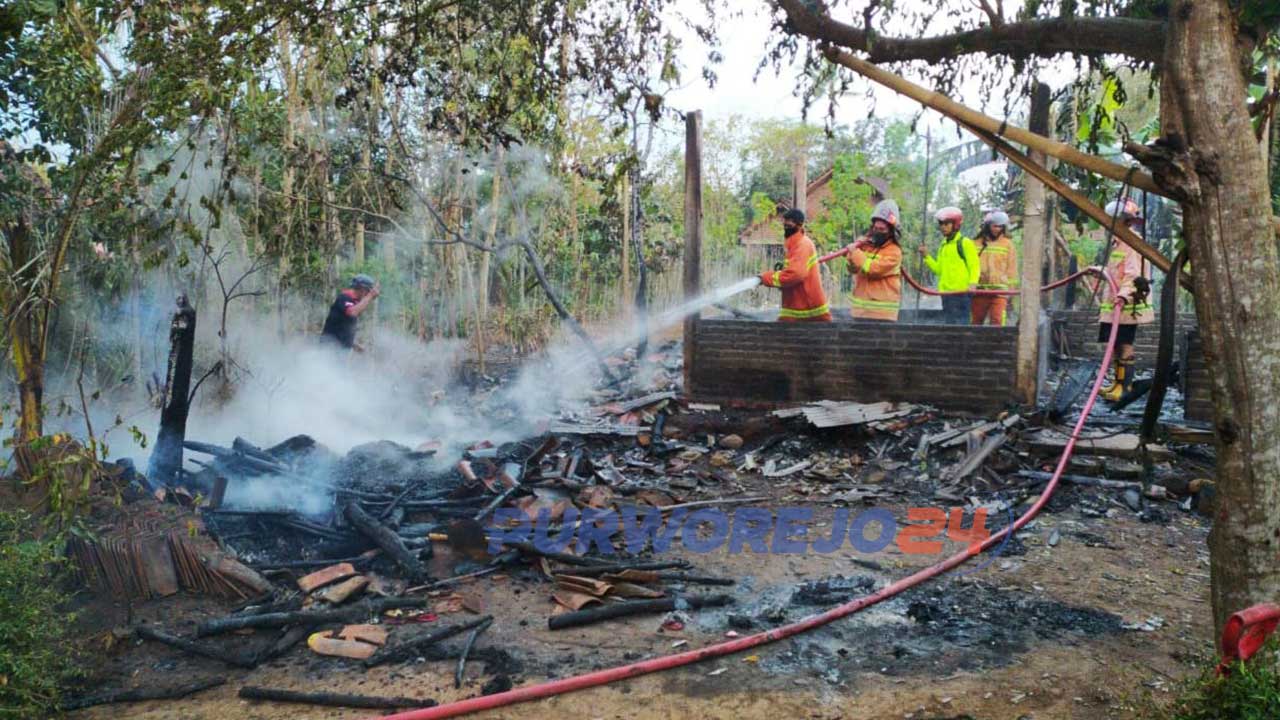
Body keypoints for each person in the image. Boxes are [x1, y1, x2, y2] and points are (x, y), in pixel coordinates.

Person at [1098, 198, 1154, 402]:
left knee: (1125, 343)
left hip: (1127, 305)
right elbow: (1118, 271)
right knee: (1114, 344)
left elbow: (1132, 275)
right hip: (1115, 306)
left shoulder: (1131, 243)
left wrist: (1122, 295)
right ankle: (1116, 383)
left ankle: (1125, 386)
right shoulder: (1118, 242)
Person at [758, 208, 832, 322]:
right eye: (785, 220)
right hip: (796, 307)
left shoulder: (803, 245)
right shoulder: (794, 244)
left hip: (806, 310)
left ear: (800, 224)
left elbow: (795, 274)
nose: (786, 223)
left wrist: (766, 278)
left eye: (790, 221)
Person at [843, 199, 903, 322]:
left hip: (882, 315)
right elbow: (852, 269)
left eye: (882, 229)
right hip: (860, 313)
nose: (878, 232)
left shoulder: (894, 252)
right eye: (876, 228)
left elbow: (873, 269)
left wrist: (855, 252)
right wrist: (851, 254)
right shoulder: (866, 246)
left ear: (891, 231)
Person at [919, 206, 979, 324]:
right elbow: (939, 270)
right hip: (946, 295)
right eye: (941, 224)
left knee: (961, 327)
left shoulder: (965, 243)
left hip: (961, 294)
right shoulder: (943, 245)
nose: (943, 227)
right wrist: (926, 256)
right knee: (949, 326)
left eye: (947, 224)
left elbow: (974, 266)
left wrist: (973, 284)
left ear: (955, 224)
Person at [971, 210, 1018, 326]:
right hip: (979, 290)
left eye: (1000, 226)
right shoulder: (975, 243)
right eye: (995, 226)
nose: (997, 229)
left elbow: (1011, 268)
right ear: (987, 226)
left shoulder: (1008, 244)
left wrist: (1011, 290)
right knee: (975, 322)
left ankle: (997, 343)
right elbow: (970, 265)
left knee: (997, 321)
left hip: (999, 291)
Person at [321, 274, 380, 350]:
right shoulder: (345, 297)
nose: (367, 294)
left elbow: (342, 327)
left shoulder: (354, 302)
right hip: (330, 347)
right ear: (362, 289)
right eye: (368, 291)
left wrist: (353, 344)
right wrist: (370, 296)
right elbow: (352, 312)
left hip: (339, 348)